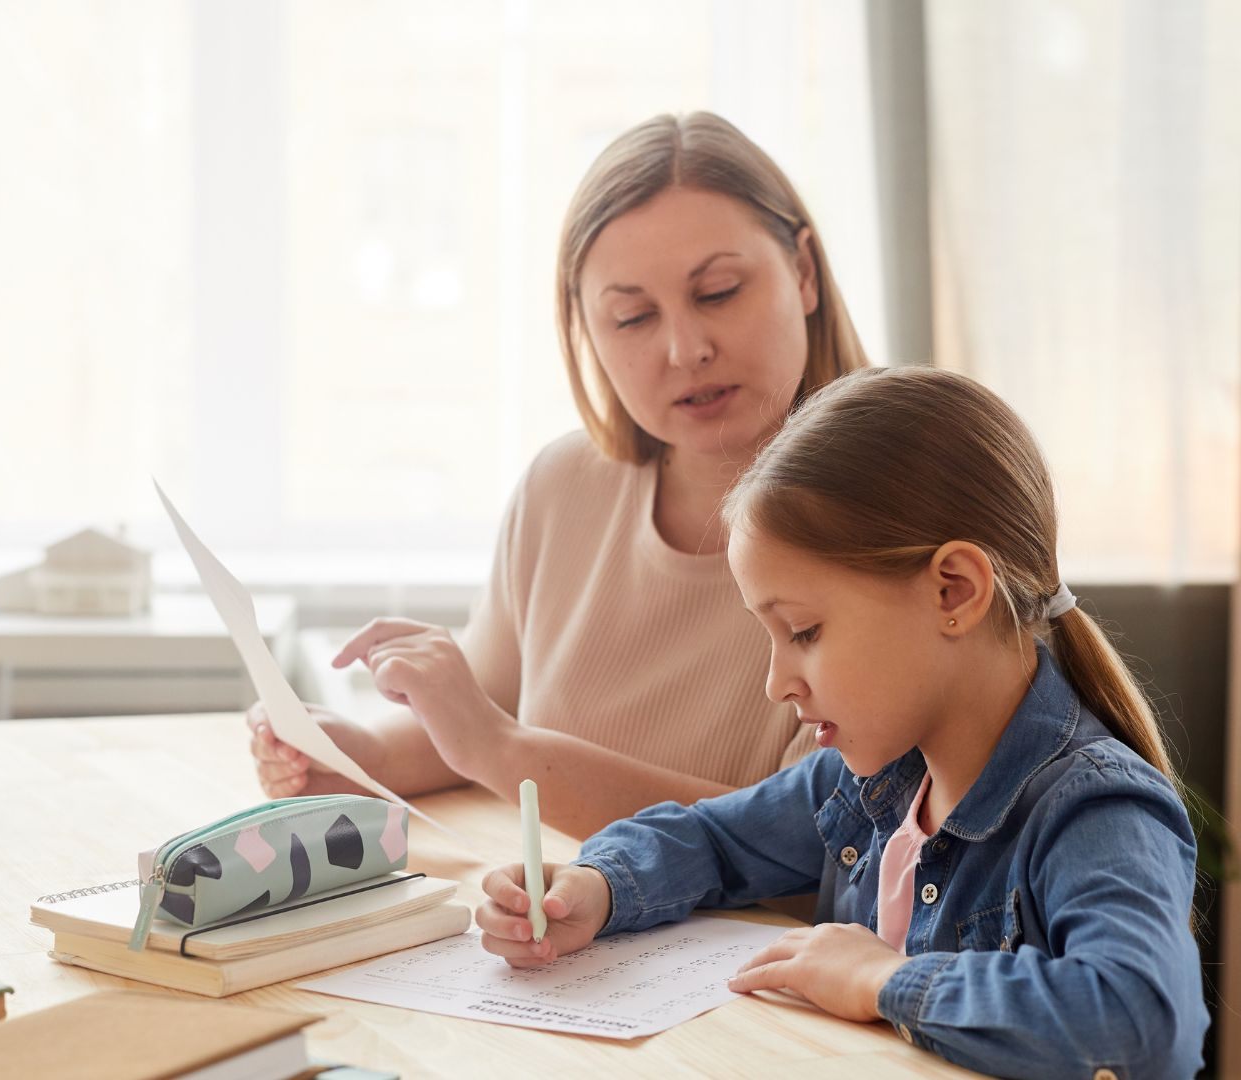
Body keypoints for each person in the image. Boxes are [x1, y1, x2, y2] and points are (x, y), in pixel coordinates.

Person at [475, 367, 1206, 1078]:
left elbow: (1140, 1023)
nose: (776, 683)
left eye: (804, 631)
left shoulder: (1096, 810)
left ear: (954, 590)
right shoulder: (871, 780)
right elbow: (716, 841)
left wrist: (882, 980)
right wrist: (595, 889)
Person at [248, 111, 868, 837]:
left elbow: (811, 841)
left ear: (803, 272)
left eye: (719, 292)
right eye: (632, 317)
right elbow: (485, 714)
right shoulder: (565, 486)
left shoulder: (886, 520)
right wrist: (364, 756)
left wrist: (498, 747)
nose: (685, 349)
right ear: (585, 328)